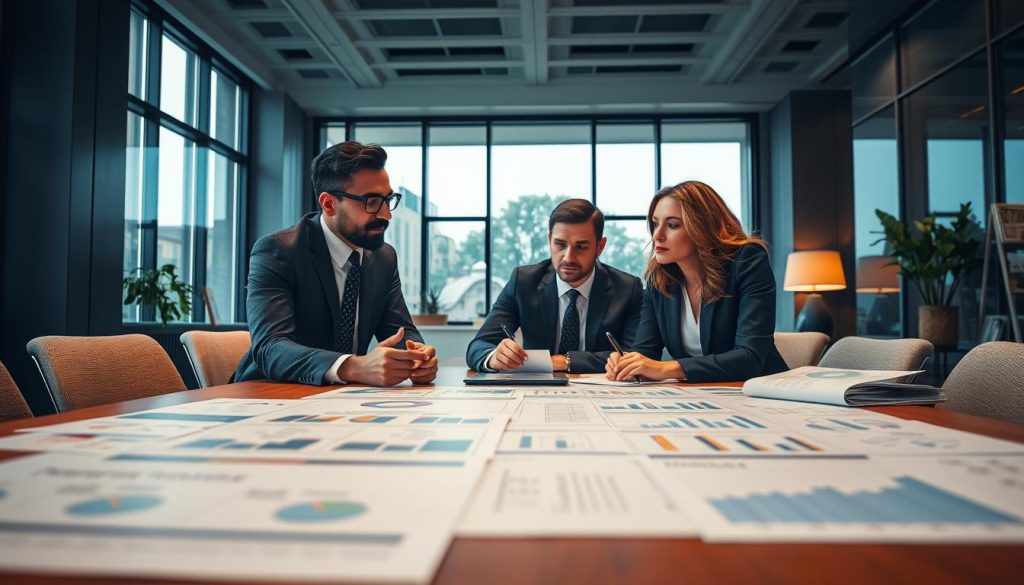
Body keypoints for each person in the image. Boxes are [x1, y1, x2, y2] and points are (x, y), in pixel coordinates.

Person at [233, 141, 437, 386]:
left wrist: (417, 356)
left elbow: (401, 331)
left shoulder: (384, 257)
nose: (386, 215)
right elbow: (270, 348)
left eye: (388, 199)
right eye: (371, 202)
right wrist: (353, 366)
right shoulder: (279, 251)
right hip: (270, 393)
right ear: (329, 204)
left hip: (342, 402)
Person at [606, 180, 787, 383]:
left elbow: (749, 357)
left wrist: (669, 368)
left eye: (673, 225)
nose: (657, 235)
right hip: (699, 396)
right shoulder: (660, 281)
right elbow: (646, 351)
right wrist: (627, 362)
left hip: (760, 392)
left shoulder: (747, 261)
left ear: (703, 227)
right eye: (655, 223)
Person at [466, 199, 643, 374]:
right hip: (536, 392)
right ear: (550, 240)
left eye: (581, 246)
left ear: (600, 246)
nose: (568, 257)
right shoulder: (524, 282)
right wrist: (495, 357)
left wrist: (564, 361)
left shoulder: (627, 289)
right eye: (560, 244)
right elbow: (478, 347)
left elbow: (637, 355)